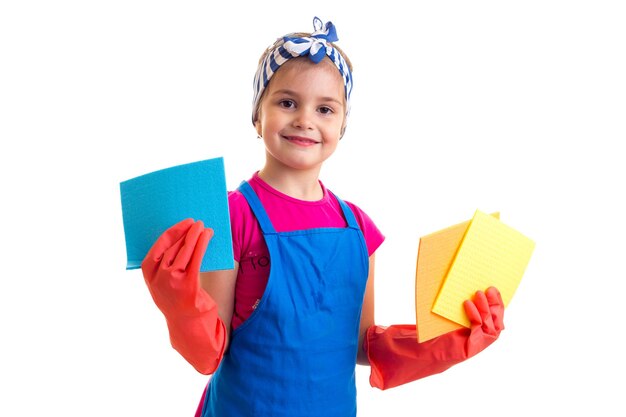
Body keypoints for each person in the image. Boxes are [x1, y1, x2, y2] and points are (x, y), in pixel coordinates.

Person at [140, 17, 505, 417]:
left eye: (325, 108)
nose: (305, 119)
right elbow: (209, 352)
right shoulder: (232, 215)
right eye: (287, 102)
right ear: (257, 116)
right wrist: (182, 305)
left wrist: (449, 339)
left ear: (342, 125)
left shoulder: (359, 230)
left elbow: (363, 345)